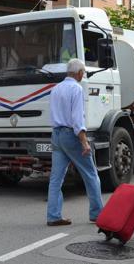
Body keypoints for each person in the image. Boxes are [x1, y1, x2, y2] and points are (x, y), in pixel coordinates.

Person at [46, 59, 103, 226]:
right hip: (71, 135)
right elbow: (77, 119)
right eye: (83, 72)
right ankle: (97, 213)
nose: (83, 75)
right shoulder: (76, 89)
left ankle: (53, 215)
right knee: (91, 174)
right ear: (79, 73)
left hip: (56, 135)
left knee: (56, 178)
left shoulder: (55, 89)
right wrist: (84, 142)